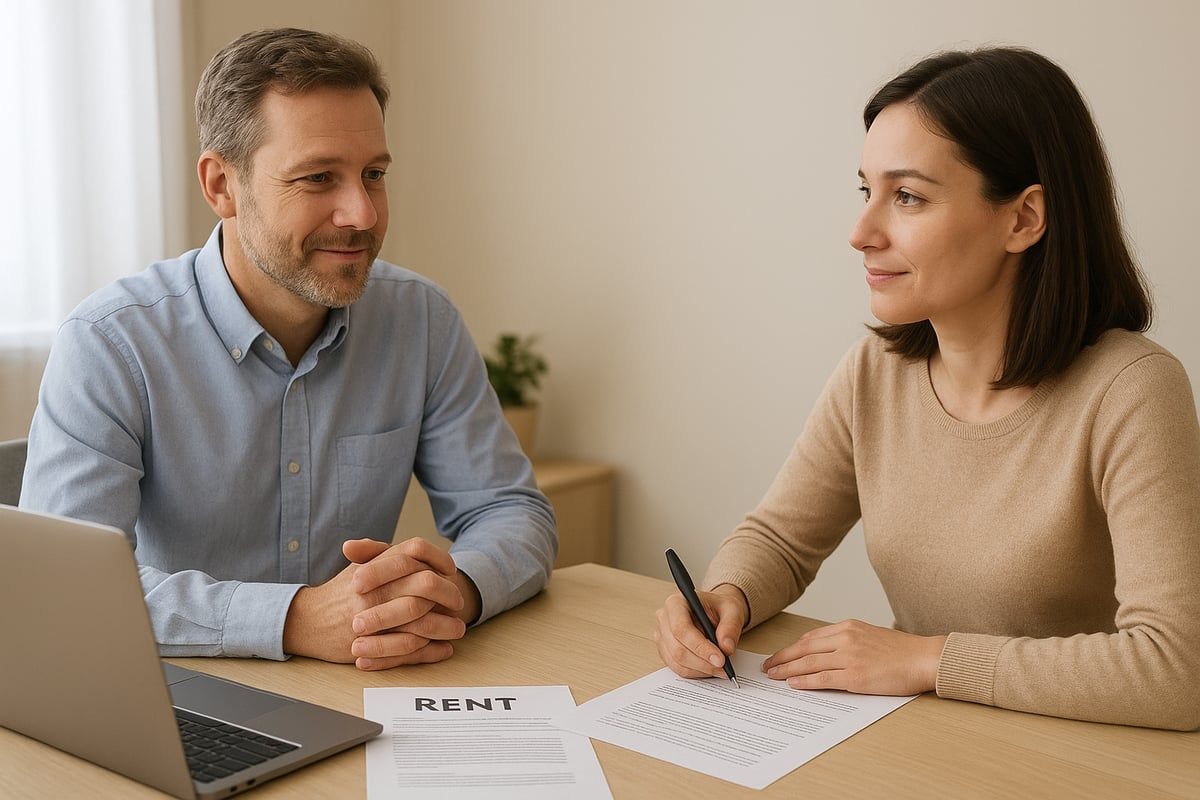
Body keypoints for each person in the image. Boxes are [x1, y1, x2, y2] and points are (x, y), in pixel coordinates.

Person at [653, 47, 1200, 730]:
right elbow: (781, 540)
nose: (861, 233)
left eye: (907, 197)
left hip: (1079, 757)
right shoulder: (874, 374)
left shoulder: (1132, 392)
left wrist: (928, 660)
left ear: (1024, 218)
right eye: (866, 191)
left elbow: (1179, 670)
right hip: (925, 741)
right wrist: (725, 594)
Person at [20, 28, 557, 671]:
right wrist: (295, 618)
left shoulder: (422, 320)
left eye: (373, 175)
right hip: (181, 692)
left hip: (360, 686)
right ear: (222, 185)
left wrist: (452, 592)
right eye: (318, 178)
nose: (360, 212)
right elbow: (67, 595)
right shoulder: (111, 344)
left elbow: (510, 511)